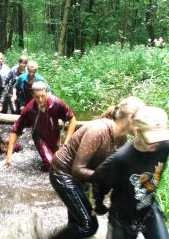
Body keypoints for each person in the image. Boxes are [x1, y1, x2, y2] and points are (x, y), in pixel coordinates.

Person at [49, 96, 146, 239]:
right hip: (63, 174)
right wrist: (108, 178)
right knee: (88, 226)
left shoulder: (121, 138)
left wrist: (99, 202)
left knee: (77, 223)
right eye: (141, 121)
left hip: (83, 177)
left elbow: (103, 169)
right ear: (131, 119)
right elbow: (78, 169)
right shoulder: (98, 131)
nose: (143, 126)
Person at [91, 106, 169, 239]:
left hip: (148, 209)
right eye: (152, 138)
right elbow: (99, 181)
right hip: (122, 217)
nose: (157, 143)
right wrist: (99, 205)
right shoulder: (120, 159)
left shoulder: (166, 146)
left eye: (160, 137)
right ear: (136, 131)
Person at [6, 81, 77, 171]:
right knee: (51, 164)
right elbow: (15, 130)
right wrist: (9, 155)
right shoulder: (29, 109)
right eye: (37, 97)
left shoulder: (56, 103)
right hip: (39, 137)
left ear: (46, 92)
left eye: (42, 96)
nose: (40, 100)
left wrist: (67, 142)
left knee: (60, 161)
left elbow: (72, 119)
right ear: (32, 95)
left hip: (54, 135)